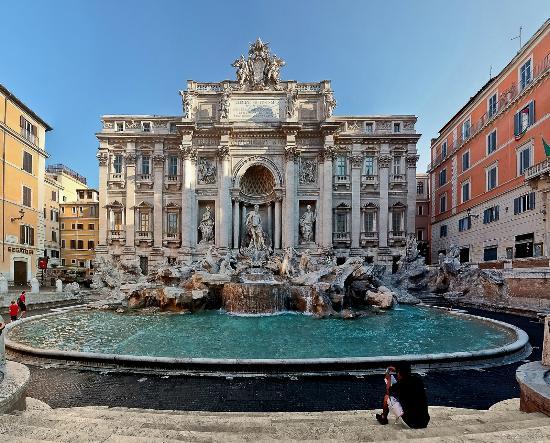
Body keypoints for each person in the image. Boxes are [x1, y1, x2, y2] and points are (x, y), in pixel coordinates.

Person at [376, 362, 430, 428]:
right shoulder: (418, 380)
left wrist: (388, 378)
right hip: (424, 422)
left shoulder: (400, 385)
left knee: (387, 397)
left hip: (411, 423)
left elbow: (388, 391)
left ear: (399, 373)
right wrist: (399, 370)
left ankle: (383, 418)